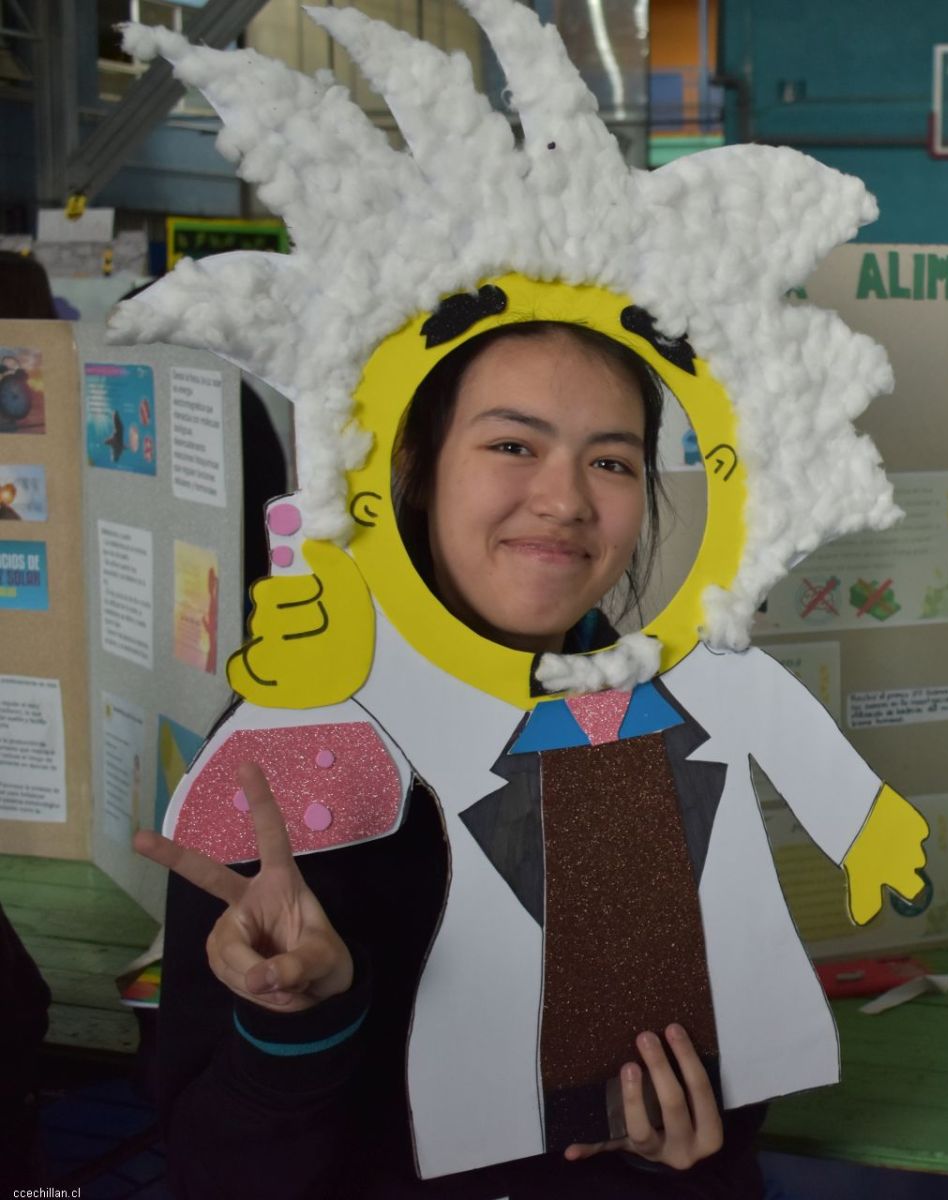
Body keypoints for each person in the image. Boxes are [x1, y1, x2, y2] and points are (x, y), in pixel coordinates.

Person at [133, 321, 762, 1198]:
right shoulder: (297, 742)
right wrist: (293, 1022)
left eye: (611, 461)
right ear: (416, 467)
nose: (565, 500)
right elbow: (215, 1174)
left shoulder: (653, 735)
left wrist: (679, 1148)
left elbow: (724, 1106)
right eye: (513, 445)